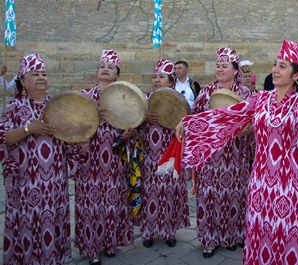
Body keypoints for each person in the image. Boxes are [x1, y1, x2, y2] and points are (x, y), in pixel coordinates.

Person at [176, 39, 298, 264]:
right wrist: (189, 123)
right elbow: (228, 115)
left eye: (282, 66)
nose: (275, 69)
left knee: (290, 234)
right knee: (260, 233)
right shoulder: (260, 99)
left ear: (296, 75)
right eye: (275, 64)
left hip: (290, 183)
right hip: (260, 182)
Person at [0, 53, 81, 264]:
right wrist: (29, 128)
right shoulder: (13, 107)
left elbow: (70, 139)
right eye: (35, 73)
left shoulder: (57, 106)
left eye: (44, 73)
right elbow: (5, 139)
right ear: (23, 80)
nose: (41, 77)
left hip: (55, 182)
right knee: (28, 223)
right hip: (26, 182)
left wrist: (80, 142)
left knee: (52, 221)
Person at [186, 47, 252, 258]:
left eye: (225, 66)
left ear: (235, 70)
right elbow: (194, 119)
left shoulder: (245, 93)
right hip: (211, 155)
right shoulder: (206, 92)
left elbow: (253, 122)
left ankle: (233, 235)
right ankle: (209, 239)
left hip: (236, 154)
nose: (220, 69)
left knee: (235, 195)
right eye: (218, 65)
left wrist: (244, 129)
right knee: (209, 196)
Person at [75, 49, 134, 265]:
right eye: (102, 66)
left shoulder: (124, 97)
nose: (105, 69)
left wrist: (130, 133)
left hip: (114, 158)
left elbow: (132, 124)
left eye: (110, 67)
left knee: (112, 202)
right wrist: (91, 115)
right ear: (97, 72)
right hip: (89, 157)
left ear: (117, 74)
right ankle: (91, 249)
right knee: (90, 205)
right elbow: (73, 123)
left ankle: (110, 243)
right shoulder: (84, 95)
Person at [137, 58, 190, 249]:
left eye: (161, 77)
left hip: (171, 153)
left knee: (169, 193)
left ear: (171, 80)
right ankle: (148, 232)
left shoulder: (178, 100)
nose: (157, 80)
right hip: (150, 155)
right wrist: (143, 118)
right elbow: (133, 124)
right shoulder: (144, 99)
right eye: (155, 76)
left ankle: (168, 231)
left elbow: (187, 125)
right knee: (150, 193)